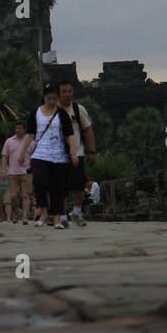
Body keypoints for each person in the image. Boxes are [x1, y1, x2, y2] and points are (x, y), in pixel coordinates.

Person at [27, 83, 78, 229]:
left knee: (57, 188)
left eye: (54, 99)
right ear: (44, 98)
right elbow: (30, 133)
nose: (51, 102)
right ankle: (43, 213)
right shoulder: (35, 112)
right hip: (40, 153)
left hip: (58, 155)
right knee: (39, 181)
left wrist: (73, 153)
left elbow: (70, 135)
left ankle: (56, 218)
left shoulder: (62, 113)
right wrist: (23, 152)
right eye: (49, 99)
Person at [57, 81, 96, 228]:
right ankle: (61, 214)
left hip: (77, 152)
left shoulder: (78, 109)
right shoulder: (52, 111)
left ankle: (77, 211)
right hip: (58, 154)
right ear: (58, 94)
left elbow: (88, 130)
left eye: (69, 91)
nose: (67, 94)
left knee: (78, 183)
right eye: (64, 92)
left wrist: (91, 151)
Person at [0, 119, 33, 225]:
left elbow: (35, 156)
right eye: (16, 128)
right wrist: (4, 169)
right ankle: (16, 211)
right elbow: (4, 156)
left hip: (26, 171)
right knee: (13, 195)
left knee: (25, 195)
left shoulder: (30, 141)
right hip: (12, 172)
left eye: (20, 128)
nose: (18, 130)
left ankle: (25, 217)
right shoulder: (9, 141)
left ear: (24, 129)